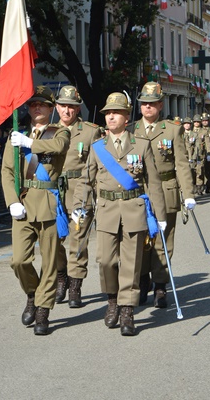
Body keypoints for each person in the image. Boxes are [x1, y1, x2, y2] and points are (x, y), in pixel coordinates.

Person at [72, 91, 166, 336]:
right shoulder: (97, 148)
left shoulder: (141, 145)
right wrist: (79, 208)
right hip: (106, 211)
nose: (110, 117)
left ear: (127, 116)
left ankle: (126, 310)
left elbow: (153, 183)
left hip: (133, 210)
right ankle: (112, 298)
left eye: (116, 112)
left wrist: (161, 216)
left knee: (132, 264)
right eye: (107, 113)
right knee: (105, 261)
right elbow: (85, 181)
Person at [1, 85, 70, 336]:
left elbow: (58, 148)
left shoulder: (58, 132)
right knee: (19, 261)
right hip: (23, 203)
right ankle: (32, 293)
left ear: (52, 109)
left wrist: (29, 143)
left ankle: (43, 309)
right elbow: (8, 172)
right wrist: (12, 202)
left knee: (50, 263)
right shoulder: (16, 134)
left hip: (48, 203)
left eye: (42, 104)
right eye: (32, 104)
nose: (37, 108)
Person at [134, 82, 195, 309]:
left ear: (160, 105)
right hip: (139, 191)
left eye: (152, 104)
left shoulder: (172, 129)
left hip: (166, 187)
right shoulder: (132, 130)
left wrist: (188, 193)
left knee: (162, 241)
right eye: (144, 104)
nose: (148, 108)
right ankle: (141, 281)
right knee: (139, 240)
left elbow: (181, 164)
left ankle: (160, 286)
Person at [54, 85, 104, 307]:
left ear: (77, 108)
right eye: (63, 106)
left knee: (78, 239)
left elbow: (99, 165)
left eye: (71, 107)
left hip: (79, 190)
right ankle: (61, 276)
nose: (67, 111)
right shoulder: (47, 130)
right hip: (53, 191)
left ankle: (75, 285)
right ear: (56, 107)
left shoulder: (90, 131)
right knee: (52, 241)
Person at [200, 112, 210, 193]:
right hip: (201, 153)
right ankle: (202, 185)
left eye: (206, 120)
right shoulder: (199, 131)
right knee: (202, 170)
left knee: (209, 170)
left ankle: (208, 185)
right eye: (203, 121)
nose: (205, 122)